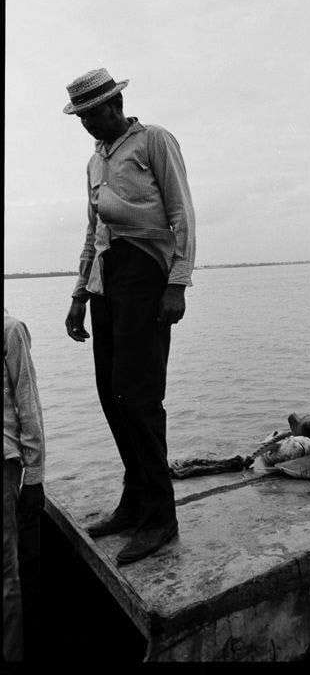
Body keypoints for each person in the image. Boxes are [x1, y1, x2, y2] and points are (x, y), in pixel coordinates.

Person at [63, 67, 196, 565]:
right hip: (106, 280)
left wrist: (177, 284)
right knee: (111, 393)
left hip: (147, 274)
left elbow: (182, 213)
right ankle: (134, 500)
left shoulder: (153, 141)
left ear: (113, 106)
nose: (86, 126)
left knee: (139, 395)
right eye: (79, 118)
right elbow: (92, 232)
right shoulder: (94, 162)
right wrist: (79, 294)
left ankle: (161, 516)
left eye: (90, 115)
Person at [3, 310, 46, 663]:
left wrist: (34, 477)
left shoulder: (11, 330)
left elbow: (28, 405)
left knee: (5, 575)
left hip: (4, 463)